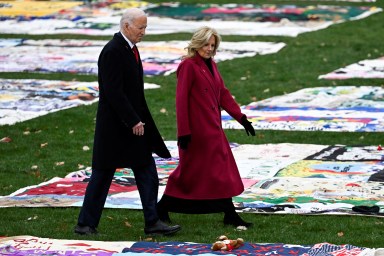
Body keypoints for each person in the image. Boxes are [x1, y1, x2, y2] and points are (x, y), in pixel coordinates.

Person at [74, 8, 181, 236]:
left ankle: (153, 221)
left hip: (134, 127)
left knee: (146, 170)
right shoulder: (113, 51)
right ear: (126, 26)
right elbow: (113, 92)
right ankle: (85, 224)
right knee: (102, 175)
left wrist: (138, 120)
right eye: (140, 28)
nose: (143, 32)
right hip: (115, 128)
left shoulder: (130, 48)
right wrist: (133, 119)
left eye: (145, 27)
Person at [157, 26, 255, 227]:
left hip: (213, 129)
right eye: (206, 44)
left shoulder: (212, 65)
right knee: (189, 173)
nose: (209, 49)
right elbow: (181, 100)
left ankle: (230, 214)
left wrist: (241, 118)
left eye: (213, 45)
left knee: (220, 170)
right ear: (197, 44)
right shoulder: (188, 66)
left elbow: (223, 94)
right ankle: (162, 207)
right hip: (196, 133)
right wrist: (184, 132)